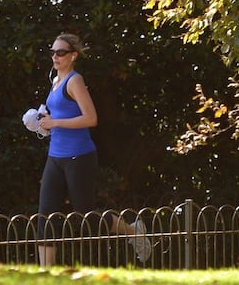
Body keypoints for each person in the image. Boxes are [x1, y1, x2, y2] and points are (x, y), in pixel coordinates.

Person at [33, 33, 151, 266]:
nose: (55, 57)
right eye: (52, 52)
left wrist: (55, 122)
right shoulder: (55, 80)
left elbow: (91, 118)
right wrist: (44, 121)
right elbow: (63, 114)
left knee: (85, 217)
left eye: (61, 53)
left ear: (73, 55)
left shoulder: (74, 81)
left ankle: (133, 232)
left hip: (79, 156)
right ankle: (45, 275)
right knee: (45, 217)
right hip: (55, 156)